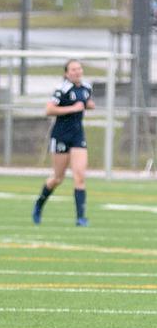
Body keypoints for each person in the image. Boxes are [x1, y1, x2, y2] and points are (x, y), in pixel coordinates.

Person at [33, 59, 94, 227]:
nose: (77, 71)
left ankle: (80, 218)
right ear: (67, 73)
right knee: (58, 178)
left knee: (80, 176)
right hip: (61, 136)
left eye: (79, 68)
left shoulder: (87, 88)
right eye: (73, 69)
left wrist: (88, 106)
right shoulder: (62, 89)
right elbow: (49, 109)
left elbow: (86, 102)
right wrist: (72, 108)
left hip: (77, 136)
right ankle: (39, 204)